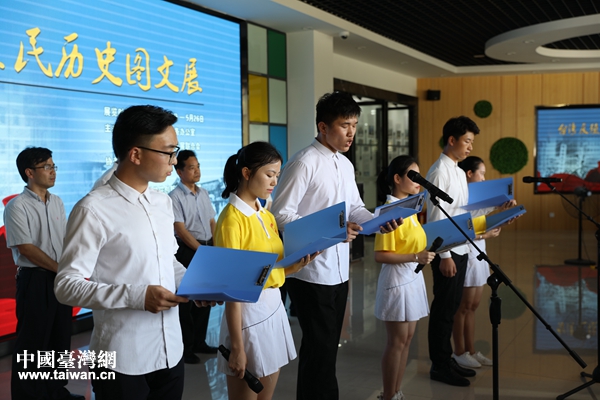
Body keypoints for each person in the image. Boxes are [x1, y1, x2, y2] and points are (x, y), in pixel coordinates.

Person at [55, 105, 213, 400]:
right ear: (136, 154)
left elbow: (167, 262)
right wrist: (137, 297)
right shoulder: (93, 209)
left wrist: (196, 285)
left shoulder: (162, 203)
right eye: (168, 152)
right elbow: (66, 286)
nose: (174, 160)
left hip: (170, 350)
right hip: (122, 357)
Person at [271, 91, 399, 400]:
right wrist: (334, 229)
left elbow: (354, 207)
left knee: (327, 347)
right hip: (311, 270)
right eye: (344, 125)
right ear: (323, 127)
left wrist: (377, 221)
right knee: (319, 348)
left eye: (354, 125)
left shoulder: (344, 163)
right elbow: (281, 214)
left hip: (339, 270)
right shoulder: (304, 162)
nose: (351, 132)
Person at [215, 141, 316, 400]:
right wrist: (237, 346)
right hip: (247, 315)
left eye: (277, 175)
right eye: (269, 174)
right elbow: (232, 289)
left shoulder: (266, 215)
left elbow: (268, 271)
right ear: (246, 173)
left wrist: (295, 266)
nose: (274, 182)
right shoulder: (231, 220)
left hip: (273, 308)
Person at [5, 147, 84, 400]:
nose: (53, 172)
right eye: (47, 167)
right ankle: (28, 396)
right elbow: (26, 248)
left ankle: (55, 391)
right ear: (29, 173)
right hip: (35, 279)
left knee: (59, 338)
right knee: (33, 342)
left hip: (59, 277)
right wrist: (61, 269)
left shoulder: (57, 202)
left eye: (53, 166)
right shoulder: (17, 206)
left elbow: (64, 240)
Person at [424, 116, 484, 387]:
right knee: (443, 309)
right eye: (467, 141)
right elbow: (436, 219)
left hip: (461, 248)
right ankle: (439, 365)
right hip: (447, 252)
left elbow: (463, 212)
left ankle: (447, 359)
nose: (470, 147)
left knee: (451, 307)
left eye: (472, 142)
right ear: (452, 140)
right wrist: (445, 256)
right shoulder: (439, 172)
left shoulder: (458, 171)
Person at [374, 155, 435, 400]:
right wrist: (416, 256)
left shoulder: (411, 208)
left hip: (412, 277)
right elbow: (380, 255)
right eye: (413, 175)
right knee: (396, 342)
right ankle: (388, 394)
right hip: (397, 281)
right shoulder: (389, 211)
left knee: (407, 339)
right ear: (397, 179)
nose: (418, 180)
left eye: (419, 175)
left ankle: (397, 392)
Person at [451, 156, 515, 369]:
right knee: (463, 307)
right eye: (482, 173)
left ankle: (471, 351)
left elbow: (480, 220)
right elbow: (463, 226)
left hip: (479, 253)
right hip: (467, 254)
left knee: (473, 306)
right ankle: (459, 352)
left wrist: (503, 217)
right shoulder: (460, 195)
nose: (484, 178)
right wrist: (484, 233)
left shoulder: (477, 197)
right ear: (469, 173)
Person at [169, 149, 217, 364]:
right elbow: (180, 229)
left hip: (207, 247)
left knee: (205, 296)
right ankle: (186, 348)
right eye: (191, 167)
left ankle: (199, 342)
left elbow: (212, 221)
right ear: (179, 171)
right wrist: (201, 249)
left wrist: (216, 246)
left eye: (198, 166)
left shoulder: (204, 192)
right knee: (187, 302)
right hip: (188, 250)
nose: (197, 171)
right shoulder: (174, 196)